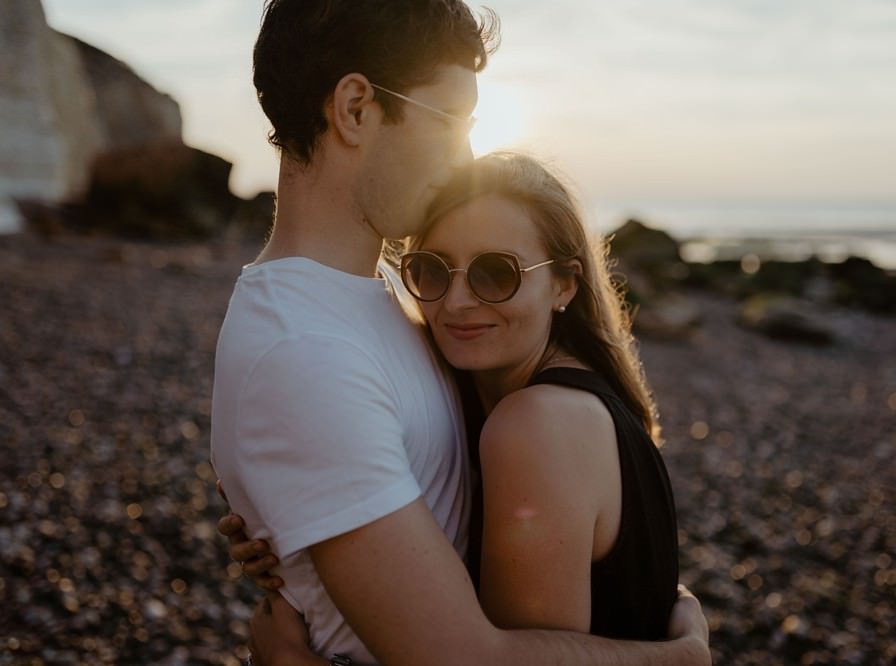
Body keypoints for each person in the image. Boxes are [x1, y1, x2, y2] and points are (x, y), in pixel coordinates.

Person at [211, 1, 710, 664]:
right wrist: (675, 659)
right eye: (453, 123)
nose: (465, 157)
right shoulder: (302, 352)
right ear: (356, 107)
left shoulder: (390, 290)